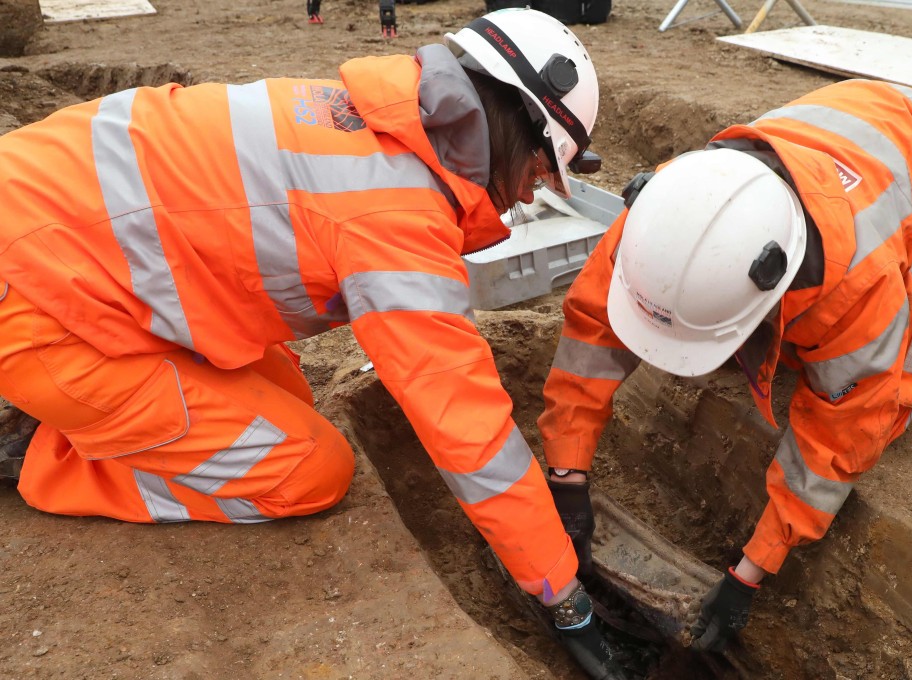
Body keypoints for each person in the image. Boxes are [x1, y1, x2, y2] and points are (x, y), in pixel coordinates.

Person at [0, 8, 621, 678]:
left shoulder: (373, 120)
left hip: (59, 234)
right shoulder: (396, 216)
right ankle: (33, 451)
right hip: (41, 304)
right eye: (541, 171)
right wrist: (561, 593)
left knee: (288, 395)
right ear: (516, 131)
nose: (528, 195)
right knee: (308, 470)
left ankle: (84, 406)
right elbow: (466, 429)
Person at [539, 78, 912, 652]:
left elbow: (837, 440)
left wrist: (751, 571)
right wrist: (567, 474)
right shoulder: (675, 206)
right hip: (850, 125)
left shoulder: (860, 286)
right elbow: (596, 324)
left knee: (904, 387)